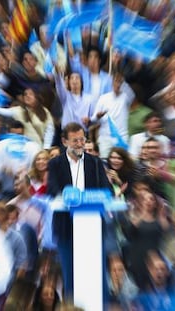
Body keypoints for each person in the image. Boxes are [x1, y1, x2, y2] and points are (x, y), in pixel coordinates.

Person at [46, 122, 112, 300]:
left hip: (93, 227)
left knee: (96, 274)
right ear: (64, 141)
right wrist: (67, 195)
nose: (80, 144)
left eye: (82, 140)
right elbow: (51, 189)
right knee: (70, 275)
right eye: (75, 141)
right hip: (66, 226)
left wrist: (95, 197)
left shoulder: (96, 163)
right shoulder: (55, 164)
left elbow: (107, 190)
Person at [89, 72, 135, 158]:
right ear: (112, 83)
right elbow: (93, 119)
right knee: (104, 162)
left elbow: (132, 94)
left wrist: (122, 81)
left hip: (121, 137)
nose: (117, 84)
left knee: (121, 162)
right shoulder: (103, 98)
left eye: (120, 82)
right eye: (115, 81)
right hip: (105, 138)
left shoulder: (127, 97)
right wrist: (98, 116)